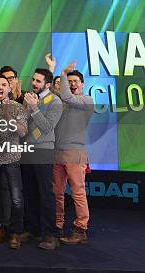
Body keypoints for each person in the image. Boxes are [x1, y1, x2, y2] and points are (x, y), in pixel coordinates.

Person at [0, 75, 28, 249]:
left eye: (4, 85)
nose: (0, 88)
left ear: (9, 87)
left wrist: (10, 120)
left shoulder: (18, 107)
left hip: (12, 159)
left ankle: (15, 232)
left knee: (16, 198)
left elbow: (23, 131)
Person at [21, 68, 63, 250]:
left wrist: (35, 108)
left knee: (46, 193)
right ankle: (33, 229)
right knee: (29, 191)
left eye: (38, 81)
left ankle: (50, 235)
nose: (34, 83)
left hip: (44, 150)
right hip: (27, 150)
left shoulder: (55, 102)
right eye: (33, 80)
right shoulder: (28, 98)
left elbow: (47, 128)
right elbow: (23, 124)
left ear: (47, 84)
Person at [53, 62, 93, 245]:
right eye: (69, 82)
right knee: (57, 192)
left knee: (78, 192)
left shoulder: (86, 101)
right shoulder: (61, 102)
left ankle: (80, 229)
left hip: (75, 152)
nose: (72, 84)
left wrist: (62, 73)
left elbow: (68, 97)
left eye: (75, 81)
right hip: (56, 152)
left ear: (82, 84)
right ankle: (57, 225)